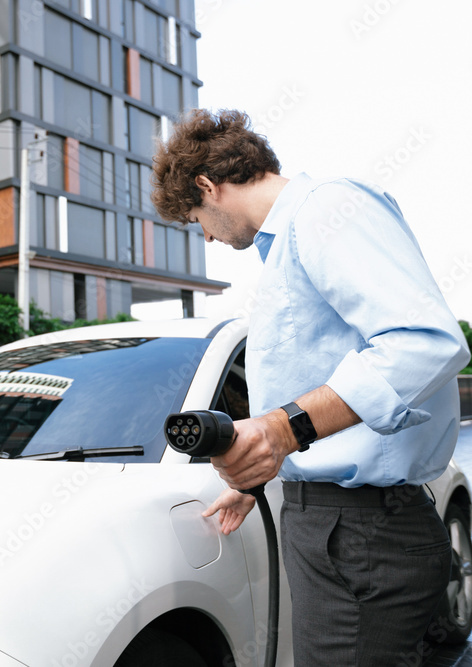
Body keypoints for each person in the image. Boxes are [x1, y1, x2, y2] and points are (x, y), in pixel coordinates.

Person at [150, 108, 471, 665]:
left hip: (361, 531)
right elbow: (325, 378)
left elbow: (425, 342)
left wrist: (280, 430)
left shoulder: (326, 210)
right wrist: (265, 469)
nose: (204, 234)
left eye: (196, 217)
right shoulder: (288, 246)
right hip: (343, 528)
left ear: (208, 185)